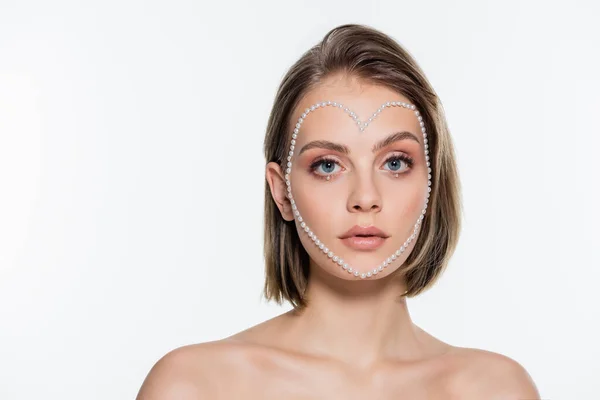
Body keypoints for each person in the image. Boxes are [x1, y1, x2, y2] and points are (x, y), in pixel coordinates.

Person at [136, 23, 540, 399]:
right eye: (327, 165)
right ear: (283, 193)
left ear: (432, 183)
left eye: (395, 162)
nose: (365, 197)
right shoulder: (195, 386)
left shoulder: (495, 390)